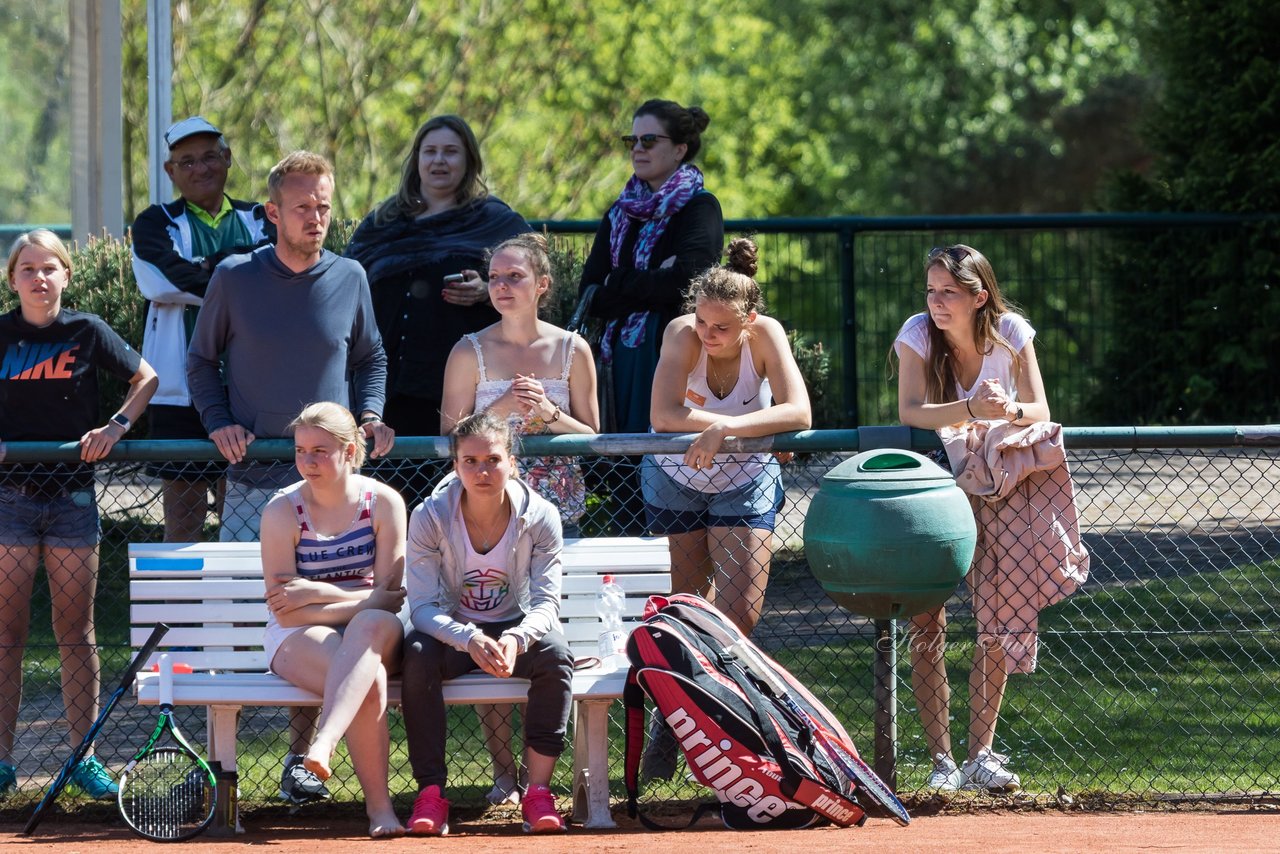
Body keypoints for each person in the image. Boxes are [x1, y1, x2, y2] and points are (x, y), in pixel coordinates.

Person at [187, 149, 394, 805]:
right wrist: (219, 420)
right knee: (235, 631)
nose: (317, 218)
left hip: (333, 493)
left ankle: (302, 765)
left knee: (325, 634)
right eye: (304, 207)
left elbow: (372, 356)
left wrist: (369, 415)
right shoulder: (233, 278)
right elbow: (199, 361)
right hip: (255, 490)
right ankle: (213, 770)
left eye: (325, 206)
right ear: (273, 213)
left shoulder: (351, 276)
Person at [894, 244, 1085, 793]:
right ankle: (940, 761)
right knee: (928, 619)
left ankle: (981, 755)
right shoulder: (916, 335)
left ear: (979, 297)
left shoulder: (1012, 332)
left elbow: (1039, 410)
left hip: (1002, 484)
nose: (936, 302)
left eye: (948, 292)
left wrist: (1009, 413)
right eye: (931, 291)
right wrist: (972, 410)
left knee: (997, 616)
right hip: (936, 479)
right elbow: (910, 411)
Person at [641, 237, 810, 780]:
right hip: (676, 475)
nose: (707, 336)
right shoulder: (681, 335)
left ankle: (721, 719)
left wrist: (726, 429)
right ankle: (673, 720)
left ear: (748, 321)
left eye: (721, 327)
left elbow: (799, 410)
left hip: (745, 475)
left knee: (739, 614)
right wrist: (733, 428)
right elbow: (664, 415)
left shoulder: (766, 336)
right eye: (701, 322)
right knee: (688, 604)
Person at [439, 231, 598, 805]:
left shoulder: (573, 349)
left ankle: (549, 776)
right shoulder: (468, 351)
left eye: (515, 278)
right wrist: (499, 411)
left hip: (556, 512)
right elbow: (446, 440)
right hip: (485, 514)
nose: (502, 287)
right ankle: (504, 772)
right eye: (495, 278)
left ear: (542, 286)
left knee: (547, 642)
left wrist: (551, 413)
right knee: (488, 634)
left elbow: (594, 436)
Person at [0, 230, 158, 799]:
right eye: (26, 269)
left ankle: (82, 755)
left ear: (67, 274)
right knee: (6, 633)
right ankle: (1, 759)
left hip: (72, 501)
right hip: (9, 501)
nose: (38, 278)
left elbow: (147, 378)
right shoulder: (2, 333)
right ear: (12, 278)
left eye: (49, 268)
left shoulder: (88, 331)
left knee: (76, 630)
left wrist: (116, 425)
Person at [401, 412, 572, 836]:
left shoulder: (540, 515)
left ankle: (537, 793)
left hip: (516, 624)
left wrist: (516, 637)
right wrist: (467, 637)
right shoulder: (430, 516)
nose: (482, 471)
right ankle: (431, 795)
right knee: (417, 655)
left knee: (555, 653)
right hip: (453, 628)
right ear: (455, 466)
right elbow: (421, 607)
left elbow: (548, 604)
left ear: (512, 463)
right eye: (470, 461)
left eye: (493, 460)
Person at [345, 114, 529, 501]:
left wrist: (487, 288)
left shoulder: (495, 221)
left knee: (458, 497)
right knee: (389, 495)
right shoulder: (384, 221)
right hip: (388, 383)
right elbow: (348, 283)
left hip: (462, 386)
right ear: (416, 161)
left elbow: (531, 279)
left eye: (450, 152)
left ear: (469, 161)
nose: (439, 161)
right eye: (430, 152)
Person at [259, 403, 408, 837]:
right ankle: (380, 813)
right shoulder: (281, 511)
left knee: (368, 629)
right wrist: (361, 598)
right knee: (369, 678)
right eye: (300, 450)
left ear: (349, 451)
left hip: (377, 631)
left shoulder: (383, 502)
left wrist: (320, 592)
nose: (307, 461)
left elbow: (391, 600)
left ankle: (322, 743)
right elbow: (286, 609)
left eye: (320, 451)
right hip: (298, 634)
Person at [578, 98, 724, 534]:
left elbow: (688, 285)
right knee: (623, 466)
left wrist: (620, 282)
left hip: (671, 351)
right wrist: (644, 281)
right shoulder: (619, 211)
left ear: (679, 149)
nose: (637, 149)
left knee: (665, 460)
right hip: (617, 357)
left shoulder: (700, 208)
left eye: (648, 140)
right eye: (631, 140)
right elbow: (592, 292)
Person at [131, 116, 273, 542]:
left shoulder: (260, 216)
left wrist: (207, 270)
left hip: (250, 385)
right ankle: (179, 608)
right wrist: (237, 270)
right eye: (187, 161)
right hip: (178, 388)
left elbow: (274, 275)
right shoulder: (154, 222)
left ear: (228, 159)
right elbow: (161, 280)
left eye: (210, 156)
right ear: (170, 172)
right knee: (183, 510)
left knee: (247, 511)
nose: (201, 168)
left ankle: (243, 607)